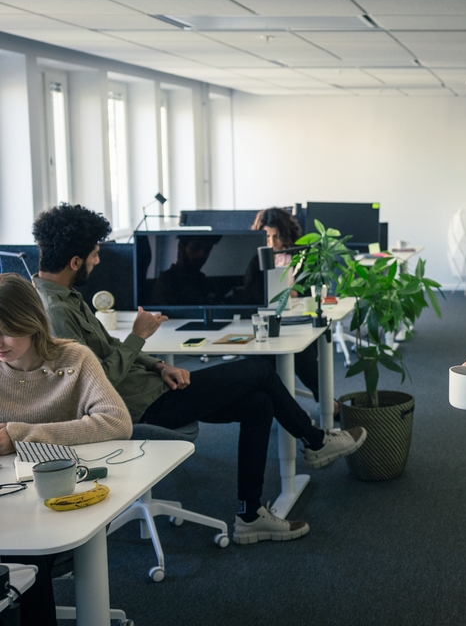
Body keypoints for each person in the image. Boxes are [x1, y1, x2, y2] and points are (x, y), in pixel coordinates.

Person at [31, 204, 366, 545]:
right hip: (139, 407)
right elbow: (94, 383)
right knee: (261, 371)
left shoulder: (66, 297)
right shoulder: (55, 311)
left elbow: (108, 348)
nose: (99, 260)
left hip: (151, 388)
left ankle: (250, 517)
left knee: (258, 404)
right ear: (75, 262)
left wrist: (159, 365)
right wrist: (139, 336)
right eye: (94, 254)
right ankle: (315, 441)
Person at [0, 272, 132, 626]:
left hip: (62, 490)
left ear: (32, 321)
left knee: (24, 550)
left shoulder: (74, 358)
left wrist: (21, 434)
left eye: (7, 330)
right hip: (9, 492)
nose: (0, 342)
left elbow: (117, 422)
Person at [249, 207, 321, 402]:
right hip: (265, 320)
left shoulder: (301, 255)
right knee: (262, 359)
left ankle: (327, 403)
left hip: (296, 318)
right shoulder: (255, 259)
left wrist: (295, 292)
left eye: (276, 236)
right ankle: (282, 406)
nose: (272, 243)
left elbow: (308, 290)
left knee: (304, 354)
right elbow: (251, 293)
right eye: (267, 237)